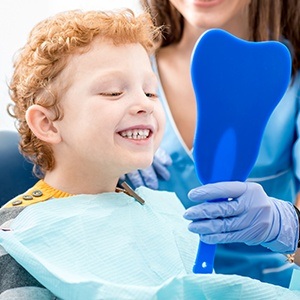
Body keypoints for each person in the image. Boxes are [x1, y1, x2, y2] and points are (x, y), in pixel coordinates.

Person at [1, 8, 300, 300]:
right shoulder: (21, 235)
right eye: (113, 92)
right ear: (47, 123)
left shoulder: (162, 212)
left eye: (150, 92)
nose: (144, 105)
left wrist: (288, 224)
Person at [133, 0, 300, 288]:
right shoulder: (123, 68)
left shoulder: (289, 77)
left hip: (267, 288)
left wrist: (288, 226)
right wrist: (103, 174)